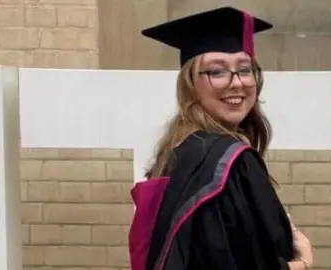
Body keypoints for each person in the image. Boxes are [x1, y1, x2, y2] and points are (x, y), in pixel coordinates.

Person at [128, 6, 313, 270]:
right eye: (217, 72)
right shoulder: (231, 163)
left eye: (245, 69)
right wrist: (303, 263)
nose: (236, 82)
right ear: (190, 83)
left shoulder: (179, 150)